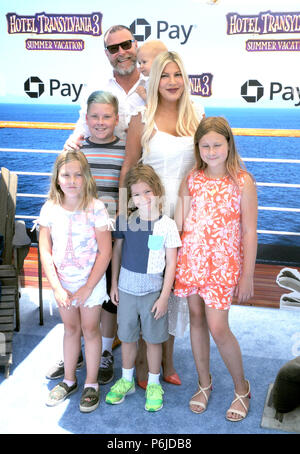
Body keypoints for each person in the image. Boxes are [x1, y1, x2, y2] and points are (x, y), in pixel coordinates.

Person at [47, 24, 146, 383]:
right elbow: (79, 131)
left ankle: (105, 350)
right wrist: (74, 141)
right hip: (84, 222)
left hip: (121, 214)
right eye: (113, 47)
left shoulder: (152, 83)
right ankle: (75, 354)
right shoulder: (98, 89)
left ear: (135, 46)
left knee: (109, 287)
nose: (120, 51)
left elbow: (135, 159)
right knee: (79, 280)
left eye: (126, 44)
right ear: (107, 52)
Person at [119, 50, 205, 388]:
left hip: (186, 217)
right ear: (155, 81)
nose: (171, 82)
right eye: (165, 76)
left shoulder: (197, 116)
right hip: (150, 218)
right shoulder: (142, 118)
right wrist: (127, 213)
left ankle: (167, 362)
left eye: (177, 75)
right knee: (149, 282)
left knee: (174, 289)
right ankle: (141, 362)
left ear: (185, 79)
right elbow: (128, 167)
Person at [174, 116, 257, 421]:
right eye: (205, 145)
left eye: (217, 145)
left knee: (218, 327)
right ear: (198, 148)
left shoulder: (243, 182)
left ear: (229, 144)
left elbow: (249, 231)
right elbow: (180, 223)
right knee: (196, 318)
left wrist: (247, 274)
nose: (211, 151)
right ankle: (204, 382)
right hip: (191, 262)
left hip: (223, 267)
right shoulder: (192, 178)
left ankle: (241, 387)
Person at [39, 150, 112, 412]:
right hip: (64, 285)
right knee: (70, 330)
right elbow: (45, 250)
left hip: (89, 285)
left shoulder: (97, 208)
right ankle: (69, 379)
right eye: (66, 174)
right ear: (57, 178)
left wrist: (88, 287)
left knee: (91, 330)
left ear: (86, 178)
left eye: (77, 175)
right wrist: (57, 287)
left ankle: (91, 383)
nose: (71, 180)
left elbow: (106, 251)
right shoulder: (50, 208)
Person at [105, 164, 181, 411]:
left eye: (147, 192)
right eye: (136, 194)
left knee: (153, 340)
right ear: (130, 197)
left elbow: (171, 264)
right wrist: (114, 283)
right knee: (127, 337)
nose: (143, 198)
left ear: (157, 191)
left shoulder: (167, 225)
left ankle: (154, 384)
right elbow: (117, 251)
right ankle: (126, 380)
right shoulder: (125, 221)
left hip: (152, 294)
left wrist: (164, 297)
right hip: (126, 291)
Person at [81, 90, 125, 385]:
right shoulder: (78, 151)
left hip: (111, 237)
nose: (100, 122)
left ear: (116, 119)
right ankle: (83, 345)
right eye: (95, 116)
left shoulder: (125, 151)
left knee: (110, 295)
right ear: (86, 119)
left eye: (106, 116)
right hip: (83, 239)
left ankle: (106, 349)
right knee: (83, 291)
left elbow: (128, 194)